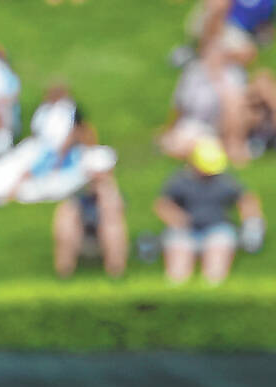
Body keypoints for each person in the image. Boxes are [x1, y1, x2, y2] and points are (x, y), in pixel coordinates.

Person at [155, 135, 264, 284]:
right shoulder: (180, 181)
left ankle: (212, 286)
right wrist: (177, 219)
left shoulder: (226, 182)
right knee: (178, 261)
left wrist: (253, 225)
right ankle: (177, 289)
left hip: (217, 229)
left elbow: (246, 201)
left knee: (217, 257)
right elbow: (163, 205)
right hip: (186, 230)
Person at [159, 40, 248, 165]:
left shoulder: (233, 75)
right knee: (176, 142)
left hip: (218, 128)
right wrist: (170, 129)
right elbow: (179, 106)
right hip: (192, 125)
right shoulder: (193, 74)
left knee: (232, 104)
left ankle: (230, 145)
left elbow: (237, 111)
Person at [52, 168, 128, 277]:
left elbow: (114, 212)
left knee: (112, 226)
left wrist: (105, 192)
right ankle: (64, 271)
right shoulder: (75, 195)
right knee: (66, 222)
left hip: (105, 240)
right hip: (78, 239)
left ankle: (115, 271)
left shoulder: (113, 195)